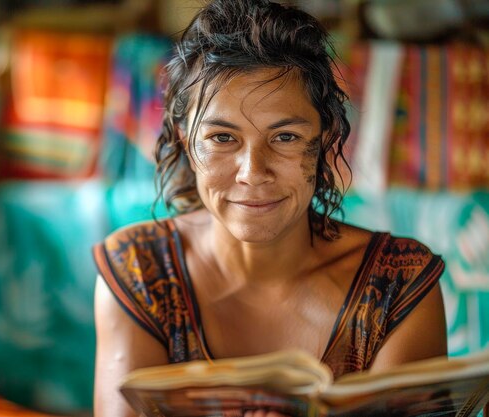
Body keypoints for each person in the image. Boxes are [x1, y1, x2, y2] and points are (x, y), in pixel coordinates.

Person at [92, 1, 447, 416]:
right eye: (222, 138)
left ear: (325, 139)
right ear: (187, 141)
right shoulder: (140, 272)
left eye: (286, 138)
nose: (252, 173)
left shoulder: (399, 286)